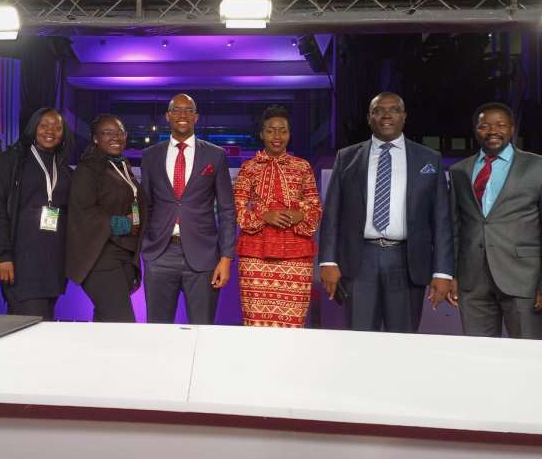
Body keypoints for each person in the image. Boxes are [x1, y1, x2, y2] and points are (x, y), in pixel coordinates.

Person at [318, 92, 453, 333]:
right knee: (359, 337)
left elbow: (442, 221)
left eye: (394, 110)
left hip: (407, 261)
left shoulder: (429, 158)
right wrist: (328, 261)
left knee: (402, 339)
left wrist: (443, 272)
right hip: (359, 260)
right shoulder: (347, 157)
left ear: (404, 116)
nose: (386, 115)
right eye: (378, 110)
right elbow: (332, 215)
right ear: (369, 117)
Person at [141, 93, 236, 324]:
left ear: (196, 117)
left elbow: (227, 210)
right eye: (176, 110)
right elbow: (146, 206)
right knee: (157, 330)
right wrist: (144, 250)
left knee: (202, 330)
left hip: (204, 256)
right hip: (160, 254)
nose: (182, 114)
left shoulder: (215, 155)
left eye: (188, 110)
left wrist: (226, 258)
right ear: (167, 116)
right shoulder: (150, 155)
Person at [449, 102, 542, 339]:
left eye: (500, 125)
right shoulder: (459, 171)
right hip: (473, 280)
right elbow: (455, 227)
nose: (492, 131)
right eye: (484, 126)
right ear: (475, 130)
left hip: (524, 279)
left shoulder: (537, 166)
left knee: (527, 353)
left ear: (512, 128)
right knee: (479, 355)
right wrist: (452, 274)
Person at [233, 105, 322, 327]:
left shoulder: (303, 167)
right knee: (256, 325)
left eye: (282, 131)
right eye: (271, 131)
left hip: (296, 256)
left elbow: (316, 209)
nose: (277, 136)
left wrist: (298, 214)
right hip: (255, 257)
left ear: (289, 134)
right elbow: (237, 209)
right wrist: (265, 215)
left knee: (292, 326)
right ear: (262, 134)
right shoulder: (248, 168)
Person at [0, 108, 72, 319]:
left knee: (42, 324)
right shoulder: (12, 160)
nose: (50, 131)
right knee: (31, 321)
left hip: (54, 263)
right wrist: (3, 256)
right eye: (44, 125)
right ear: (33, 128)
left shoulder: (63, 167)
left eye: (57, 127)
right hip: (21, 261)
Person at [66, 114, 147, 322]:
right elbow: (83, 213)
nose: (115, 137)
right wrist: (124, 224)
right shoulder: (88, 169)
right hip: (100, 255)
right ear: (95, 138)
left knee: (106, 323)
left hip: (124, 254)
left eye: (120, 132)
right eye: (108, 133)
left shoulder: (121, 165)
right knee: (122, 322)